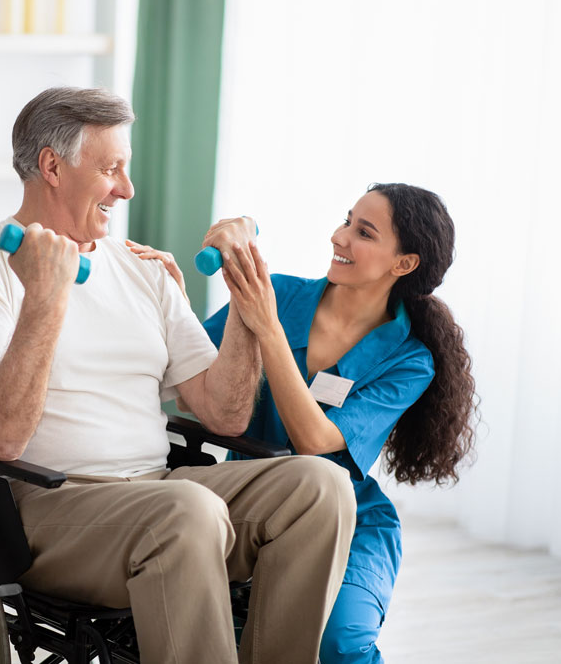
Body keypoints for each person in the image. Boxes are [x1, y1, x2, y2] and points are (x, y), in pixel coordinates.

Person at [0, 86, 357, 664]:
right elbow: (2, 437)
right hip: (46, 513)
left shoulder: (142, 269)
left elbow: (225, 413)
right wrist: (46, 299)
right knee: (187, 510)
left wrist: (246, 302)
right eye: (110, 169)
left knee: (320, 487)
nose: (126, 189)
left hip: (159, 491)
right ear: (52, 167)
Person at [130, 183, 477, 663]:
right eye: (346, 220)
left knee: (339, 643)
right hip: (247, 499)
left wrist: (266, 327)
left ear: (404, 264)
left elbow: (314, 442)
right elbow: (195, 378)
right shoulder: (284, 295)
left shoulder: (410, 361)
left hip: (348, 519)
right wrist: (175, 300)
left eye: (364, 232)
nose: (339, 236)